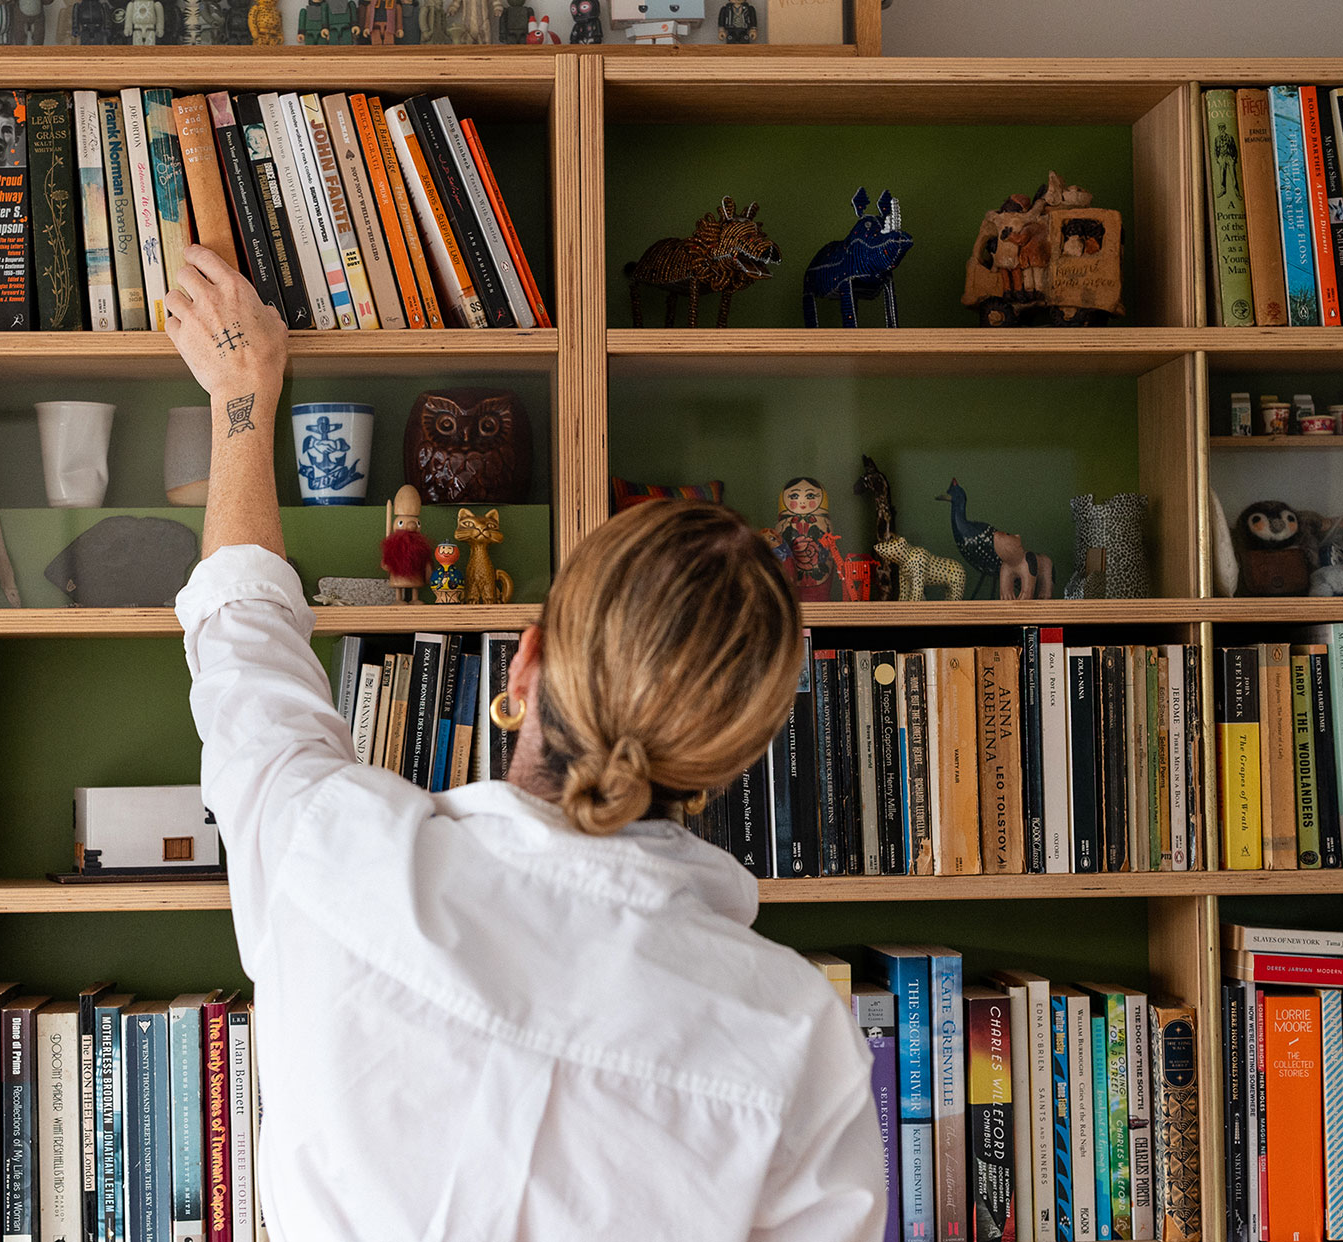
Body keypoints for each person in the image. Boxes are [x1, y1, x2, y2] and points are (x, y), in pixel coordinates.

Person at [162, 243, 884, 1242]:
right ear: (736, 754)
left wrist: (242, 393)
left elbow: (244, 637)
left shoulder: (328, 848)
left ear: (524, 660)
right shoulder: (798, 1038)